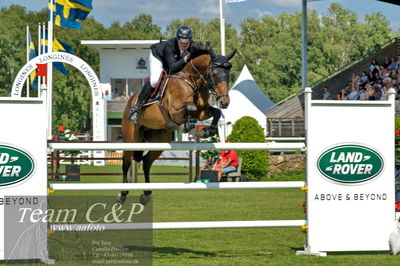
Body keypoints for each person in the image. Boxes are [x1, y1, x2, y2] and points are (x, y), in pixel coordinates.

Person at [129, 25, 206, 123]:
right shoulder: (169, 45)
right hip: (158, 57)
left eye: (186, 43)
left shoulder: (193, 46)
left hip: (175, 61)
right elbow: (173, 67)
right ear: (177, 39)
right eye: (181, 42)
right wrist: (188, 56)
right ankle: (136, 107)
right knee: (155, 80)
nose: (184, 45)